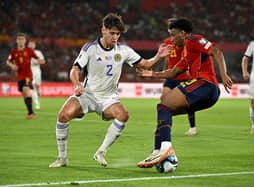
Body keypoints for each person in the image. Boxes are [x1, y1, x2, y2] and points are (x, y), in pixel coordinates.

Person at [49, 13, 172, 168]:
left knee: (123, 115)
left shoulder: (124, 51)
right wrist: (76, 83)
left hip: (108, 98)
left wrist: (158, 56)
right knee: (63, 115)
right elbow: (74, 69)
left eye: (118, 34)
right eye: (112, 33)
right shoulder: (90, 48)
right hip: (87, 94)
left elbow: (145, 65)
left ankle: (101, 151)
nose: (115, 37)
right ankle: (62, 158)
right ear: (103, 30)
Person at [136, 18, 232, 168]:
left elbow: (217, 51)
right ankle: (157, 152)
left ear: (183, 33)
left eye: (174, 35)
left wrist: (224, 75)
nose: (172, 40)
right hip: (206, 94)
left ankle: (166, 149)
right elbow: (174, 72)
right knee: (163, 111)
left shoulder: (194, 39)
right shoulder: (187, 53)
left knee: (164, 105)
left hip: (206, 85)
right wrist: (152, 74)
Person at [162, 18, 197, 136]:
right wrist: (164, 71)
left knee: (188, 104)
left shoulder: (183, 41)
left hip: (183, 76)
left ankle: (193, 127)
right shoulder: (167, 42)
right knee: (164, 99)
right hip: (171, 76)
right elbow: (167, 58)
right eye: (168, 26)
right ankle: (165, 126)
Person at [6, 33, 43, 119]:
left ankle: (32, 113)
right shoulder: (14, 52)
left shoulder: (29, 51)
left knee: (25, 89)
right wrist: (13, 66)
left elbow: (41, 60)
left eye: (22, 39)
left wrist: (38, 62)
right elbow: (8, 61)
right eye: (19, 39)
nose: (20, 41)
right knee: (23, 94)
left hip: (28, 75)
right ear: (16, 41)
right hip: (20, 76)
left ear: (25, 41)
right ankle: (30, 112)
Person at [28, 40, 46, 109]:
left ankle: (38, 100)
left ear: (35, 45)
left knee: (38, 87)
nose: (31, 45)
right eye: (30, 44)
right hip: (30, 71)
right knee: (32, 86)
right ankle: (36, 103)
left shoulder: (38, 52)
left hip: (37, 71)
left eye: (32, 44)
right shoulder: (26, 53)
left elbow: (43, 61)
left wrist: (37, 62)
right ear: (28, 45)